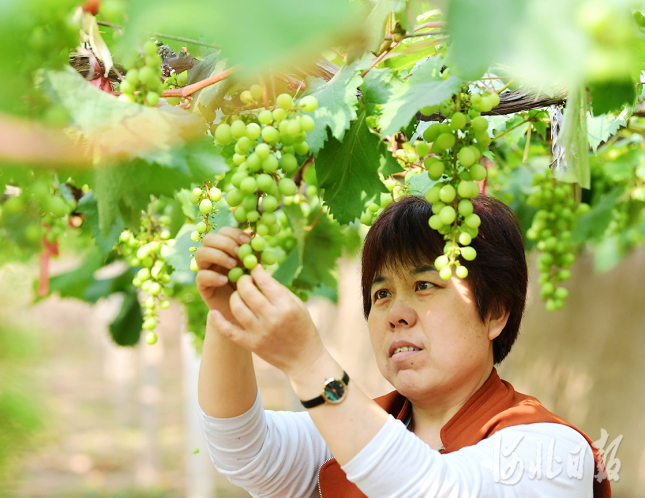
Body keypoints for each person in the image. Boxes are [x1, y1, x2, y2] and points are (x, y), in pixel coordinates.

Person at [194, 194, 611, 498]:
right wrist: (228, 316)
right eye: (381, 295)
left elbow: (435, 489)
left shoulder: (552, 451)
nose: (397, 313)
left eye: (424, 285)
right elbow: (244, 450)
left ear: (496, 313)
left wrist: (308, 363)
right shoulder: (355, 430)